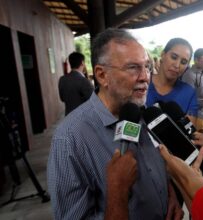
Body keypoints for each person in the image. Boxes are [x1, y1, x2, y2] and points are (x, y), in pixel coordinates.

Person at [47, 28, 182, 220]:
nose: (145, 77)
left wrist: (169, 194)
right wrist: (117, 190)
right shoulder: (69, 138)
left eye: (147, 67)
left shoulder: (135, 111)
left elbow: (152, 166)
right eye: (133, 67)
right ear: (102, 76)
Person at [146, 38, 198, 123]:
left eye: (183, 62)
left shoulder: (189, 93)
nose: (177, 65)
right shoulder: (142, 83)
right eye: (174, 57)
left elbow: (188, 133)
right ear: (163, 54)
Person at [182, 48, 203, 130]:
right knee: (197, 140)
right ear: (196, 60)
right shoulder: (189, 75)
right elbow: (187, 99)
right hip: (196, 116)